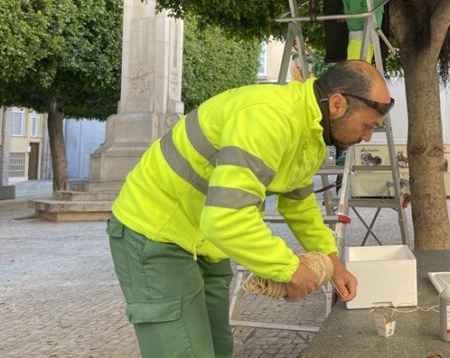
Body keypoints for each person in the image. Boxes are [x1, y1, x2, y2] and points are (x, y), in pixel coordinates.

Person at [107, 60, 394, 358]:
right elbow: (226, 218)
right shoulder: (269, 117)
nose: (368, 137)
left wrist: (334, 265)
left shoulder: (311, 135)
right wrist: (290, 269)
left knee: (218, 349)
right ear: (337, 104)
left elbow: (300, 206)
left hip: (205, 244)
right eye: (367, 125)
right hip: (154, 231)